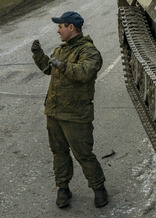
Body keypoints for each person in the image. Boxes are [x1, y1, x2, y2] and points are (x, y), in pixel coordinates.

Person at [31, 11, 107, 209]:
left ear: (71, 28)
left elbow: (84, 73)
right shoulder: (61, 50)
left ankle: (99, 188)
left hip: (76, 115)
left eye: (61, 26)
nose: (58, 30)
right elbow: (49, 69)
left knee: (83, 154)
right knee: (59, 153)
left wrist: (61, 65)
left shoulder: (89, 51)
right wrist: (39, 55)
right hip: (54, 113)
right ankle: (63, 188)